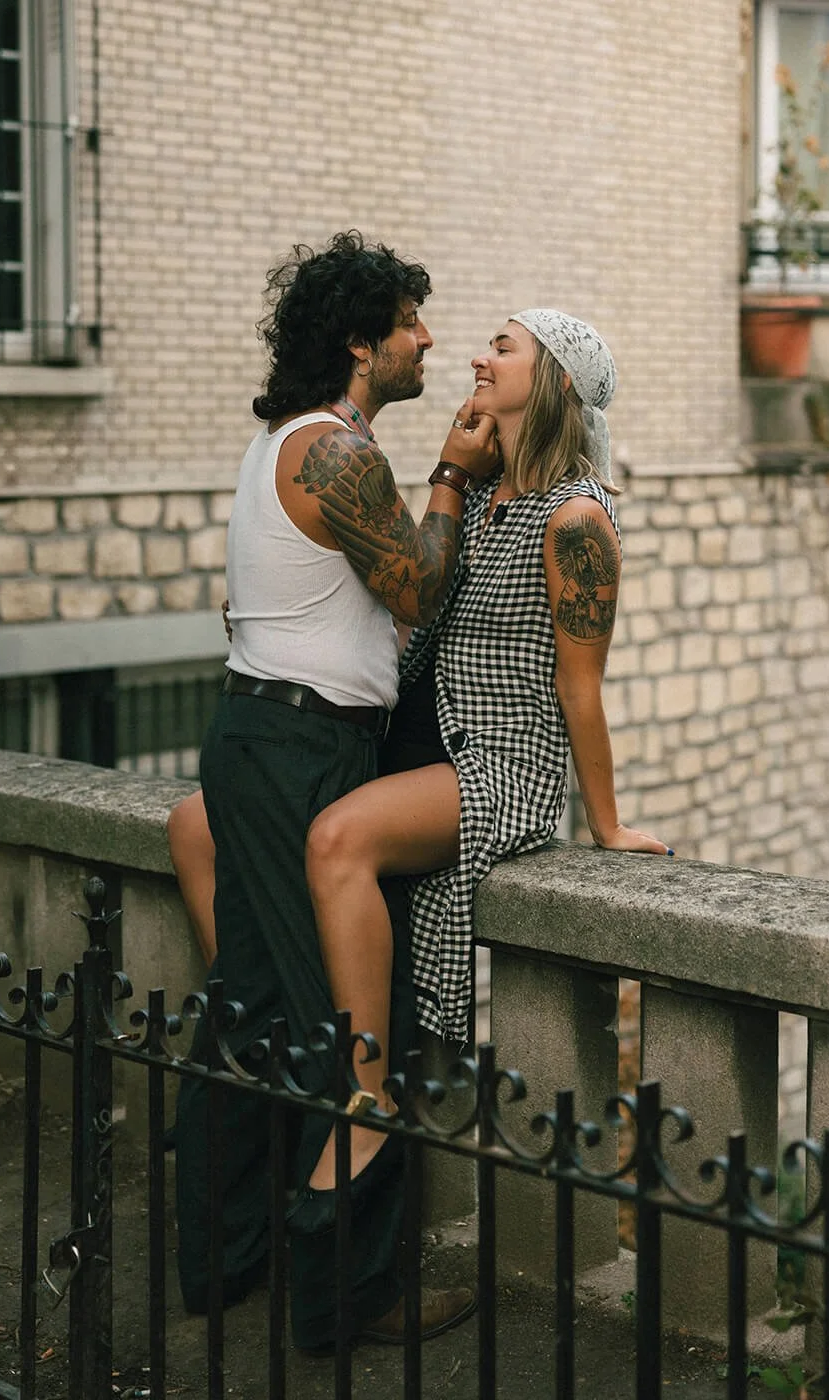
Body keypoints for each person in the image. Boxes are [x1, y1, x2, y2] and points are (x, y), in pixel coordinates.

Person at [173, 230, 498, 1352]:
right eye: (412, 320)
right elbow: (416, 588)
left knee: (251, 1011)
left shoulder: (284, 440)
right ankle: (348, 1298)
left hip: (260, 738)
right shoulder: (339, 456)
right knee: (349, 1032)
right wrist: (454, 478)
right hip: (301, 752)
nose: (429, 338)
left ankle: (216, 1266)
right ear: (362, 342)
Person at [294, 309, 672, 1216]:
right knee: (222, 821)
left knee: (337, 837)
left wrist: (605, 824)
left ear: (551, 384)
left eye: (504, 348)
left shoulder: (577, 518)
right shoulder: (487, 495)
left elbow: (579, 689)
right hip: (415, 747)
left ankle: (365, 1096)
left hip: (500, 765)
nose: (475, 355)